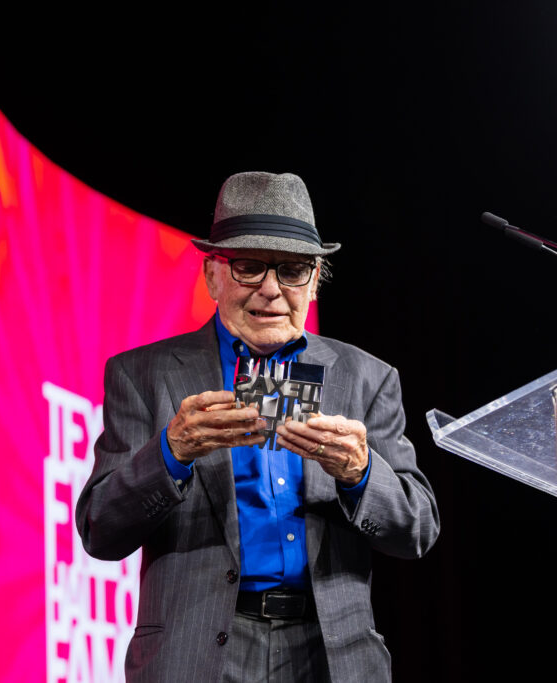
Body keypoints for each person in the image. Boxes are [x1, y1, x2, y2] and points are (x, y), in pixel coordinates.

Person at [75, 171, 439, 682]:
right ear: (211, 276)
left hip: (332, 655)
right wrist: (171, 452)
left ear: (314, 281)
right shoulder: (144, 375)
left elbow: (417, 530)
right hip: (195, 652)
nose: (271, 291)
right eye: (248, 267)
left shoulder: (368, 378)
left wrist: (359, 472)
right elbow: (100, 532)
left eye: (292, 271)